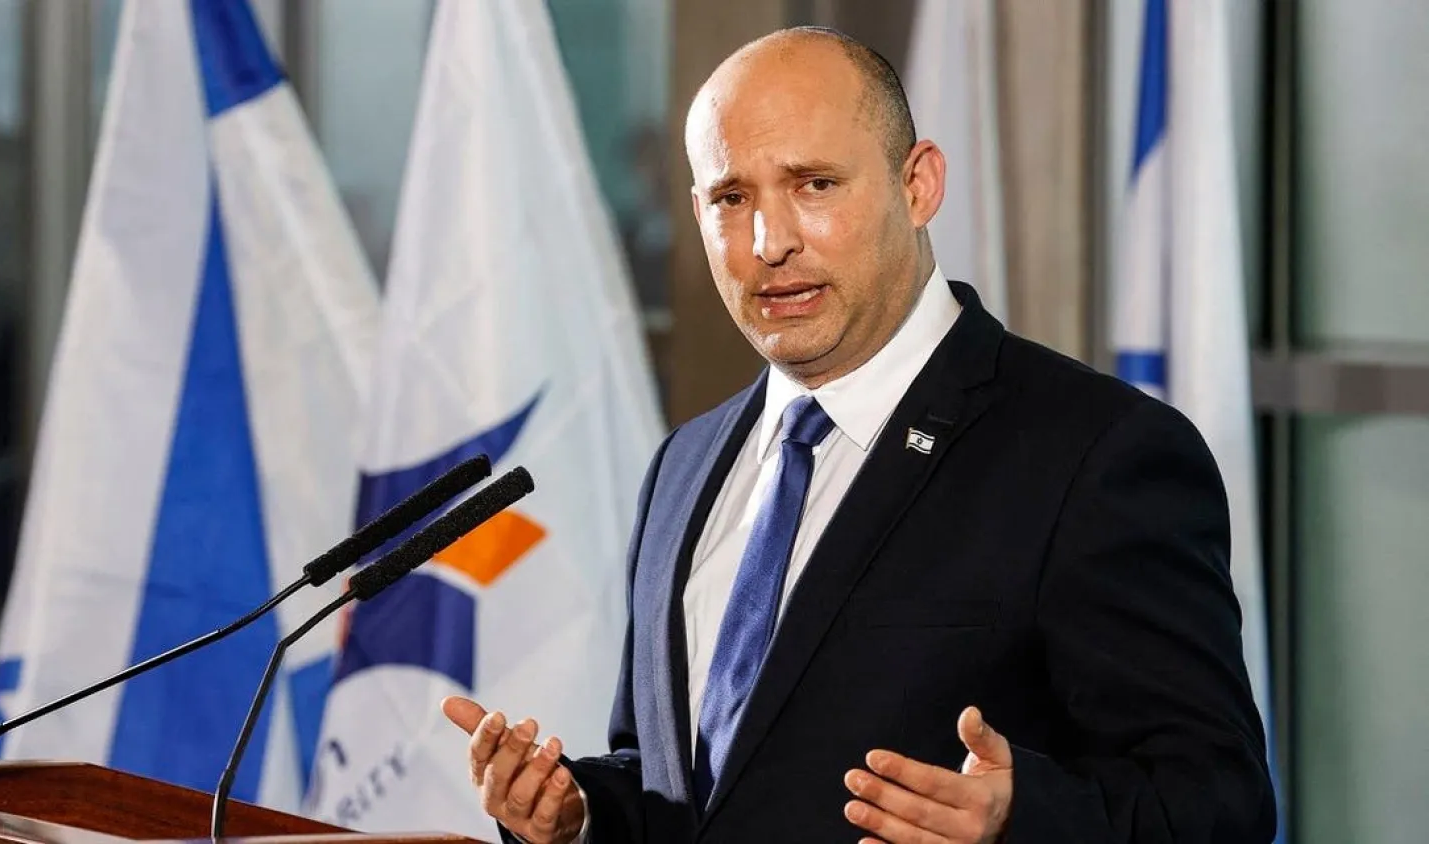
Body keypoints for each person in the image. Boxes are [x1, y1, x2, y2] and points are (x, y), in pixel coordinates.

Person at [442, 26, 1275, 844]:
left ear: (919, 185)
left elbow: (1216, 802)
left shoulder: (1096, 453)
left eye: (814, 185)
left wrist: (1021, 820)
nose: (770, 243)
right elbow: (685, 790)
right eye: (733, 199)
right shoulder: (685, 463)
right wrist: (578, 816)